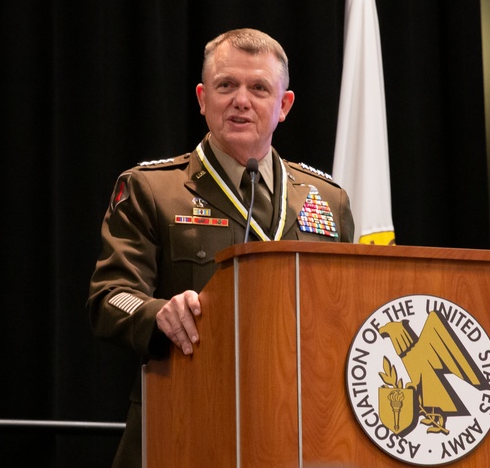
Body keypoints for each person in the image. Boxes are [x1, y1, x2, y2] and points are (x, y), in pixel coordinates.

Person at [87, 28, 355, 467]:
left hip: (304, 432)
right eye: (226, 85)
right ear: (202, 98)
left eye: (259, 88)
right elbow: (109, 297)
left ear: (283, 105)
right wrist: (160, 314)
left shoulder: (327, 199)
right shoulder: (152, 190)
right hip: (186, 423)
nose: (241, 100)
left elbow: (349, 311)